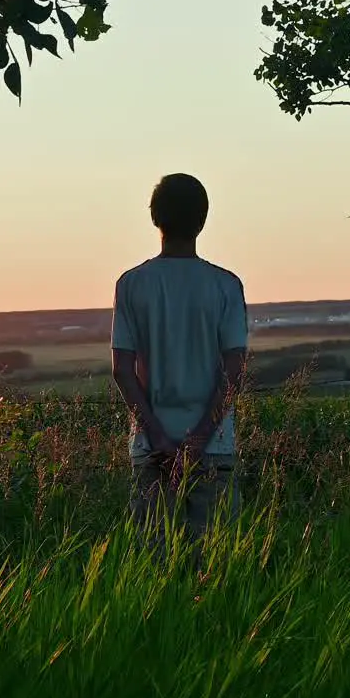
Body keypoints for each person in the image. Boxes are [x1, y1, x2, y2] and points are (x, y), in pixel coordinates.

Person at [109, 173, 249, 554]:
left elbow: (122, 369)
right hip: (214, 450)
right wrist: (200, 439)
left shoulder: (132, 285)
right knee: (216, 571)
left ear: (155, 219)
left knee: (153, 573)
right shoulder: (225, 286)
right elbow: (234, 371)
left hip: (151, 452)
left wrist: (157, 436)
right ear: (202, 221)